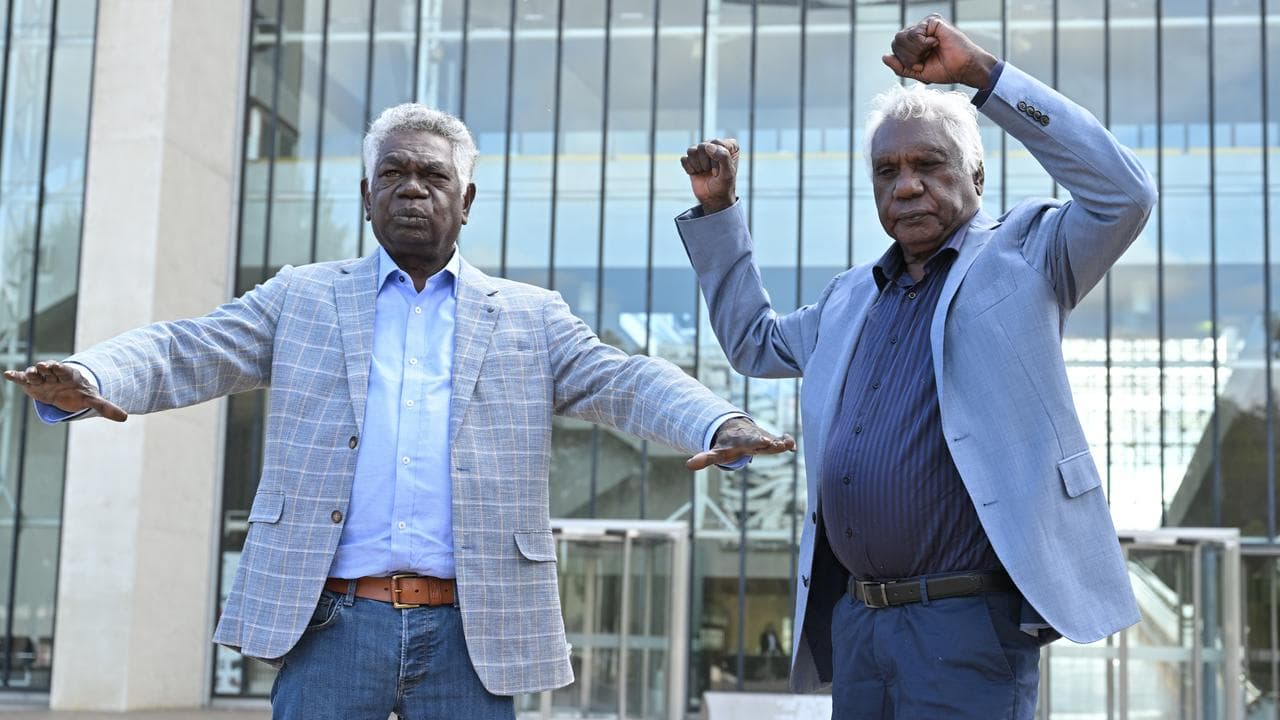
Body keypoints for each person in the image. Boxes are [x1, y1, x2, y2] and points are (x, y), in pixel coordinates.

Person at [3, 103, 795, 720]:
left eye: (433, 176)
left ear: (466, 199)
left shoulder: (531, 317)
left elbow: (627, 381)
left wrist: (717, 423)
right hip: (331, 625)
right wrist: (92, 373)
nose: (413, 188)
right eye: (394, 173)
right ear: (367, 193)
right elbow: (188, 348)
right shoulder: (300, 297)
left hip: (472, 632)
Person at [675, 14, 1156, 720]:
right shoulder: (849, 298)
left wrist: (981, 74)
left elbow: (1125, 195)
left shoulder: (1027, 254)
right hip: (859, 623)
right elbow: (754, 343)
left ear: (976, 175)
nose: (905, 186)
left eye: (928, 165)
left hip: (967, 623)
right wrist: (719, 212)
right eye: (887, 171)